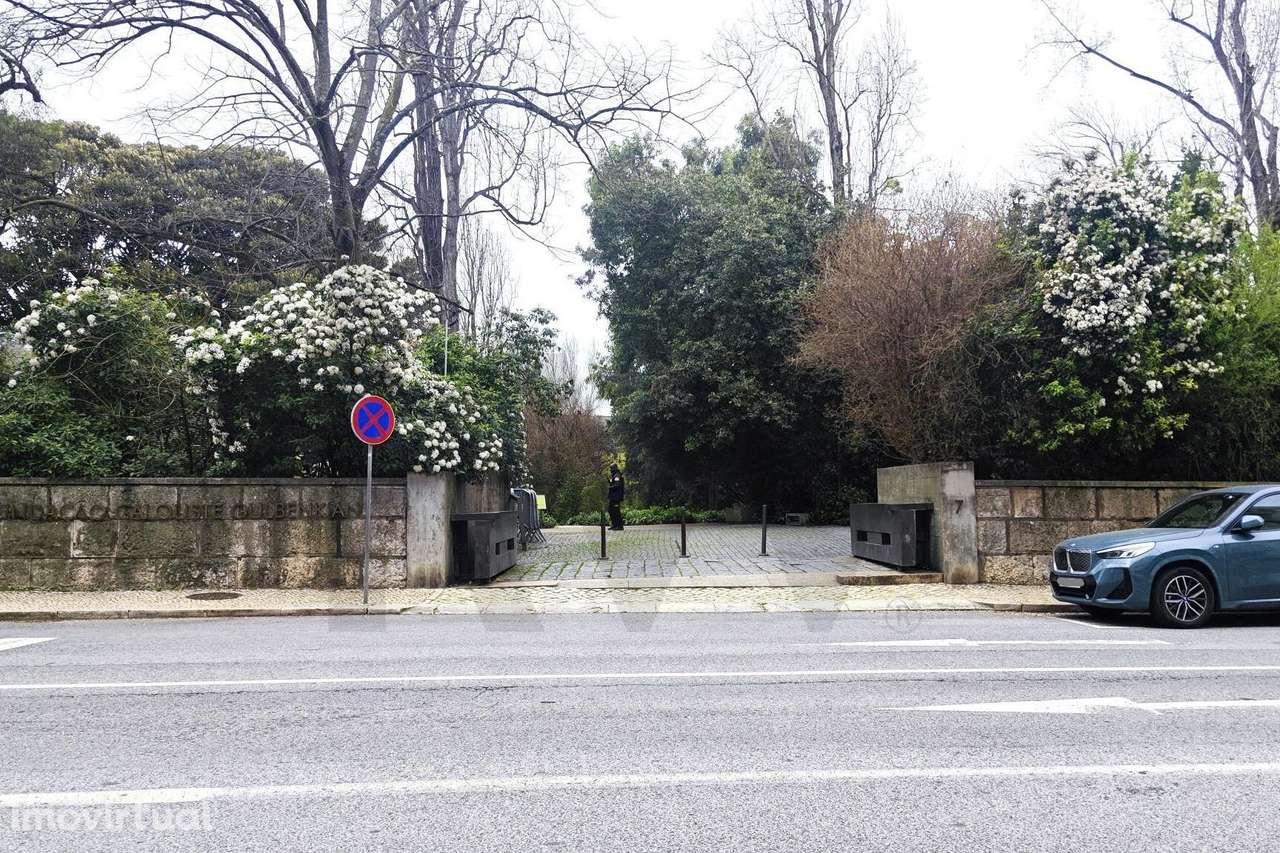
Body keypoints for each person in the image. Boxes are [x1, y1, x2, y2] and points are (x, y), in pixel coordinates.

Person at [607, 464, 625, 531]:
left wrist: (610, 487)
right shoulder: (614, 475)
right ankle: (614, 525)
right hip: (613, 497)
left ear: (615, 468)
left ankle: (619, 526)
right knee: (611, 510)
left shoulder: (617, 475)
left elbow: (617, 485)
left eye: (611, 468)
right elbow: (612, 482)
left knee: (616, 511)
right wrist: (609, 480)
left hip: (616, 497)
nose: (610, 470)